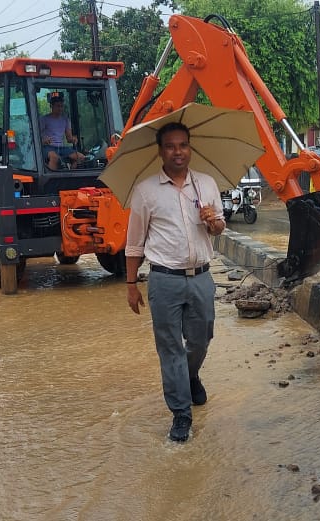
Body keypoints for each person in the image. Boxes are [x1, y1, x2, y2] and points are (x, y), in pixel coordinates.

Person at [124, 121, 226, 443]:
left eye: (183, 145)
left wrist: (214, 222)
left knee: (201, 339)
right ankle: (181, 413)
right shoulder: (146, 191)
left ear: (189, 148)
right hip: (164, 280)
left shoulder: (207, 185)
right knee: (170, 349)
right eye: (170, 146)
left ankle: (191, 374)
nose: (177, 151)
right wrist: (130, 285)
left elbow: (221, 226)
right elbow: (134, 243)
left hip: (201, 278)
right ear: (161, 151)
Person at [40, 92, 85, 170]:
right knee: (54, 158)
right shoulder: (44, 119)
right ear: (51, 106)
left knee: (81, 157)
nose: (60, 108)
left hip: (61, 148)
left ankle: (70, 174)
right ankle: (52, 179)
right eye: (58, 106)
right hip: (48, 147)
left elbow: (69, 138)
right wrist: (43, 140)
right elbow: (36, 135)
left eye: (61, 106)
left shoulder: (65, 120)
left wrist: (73, 139)